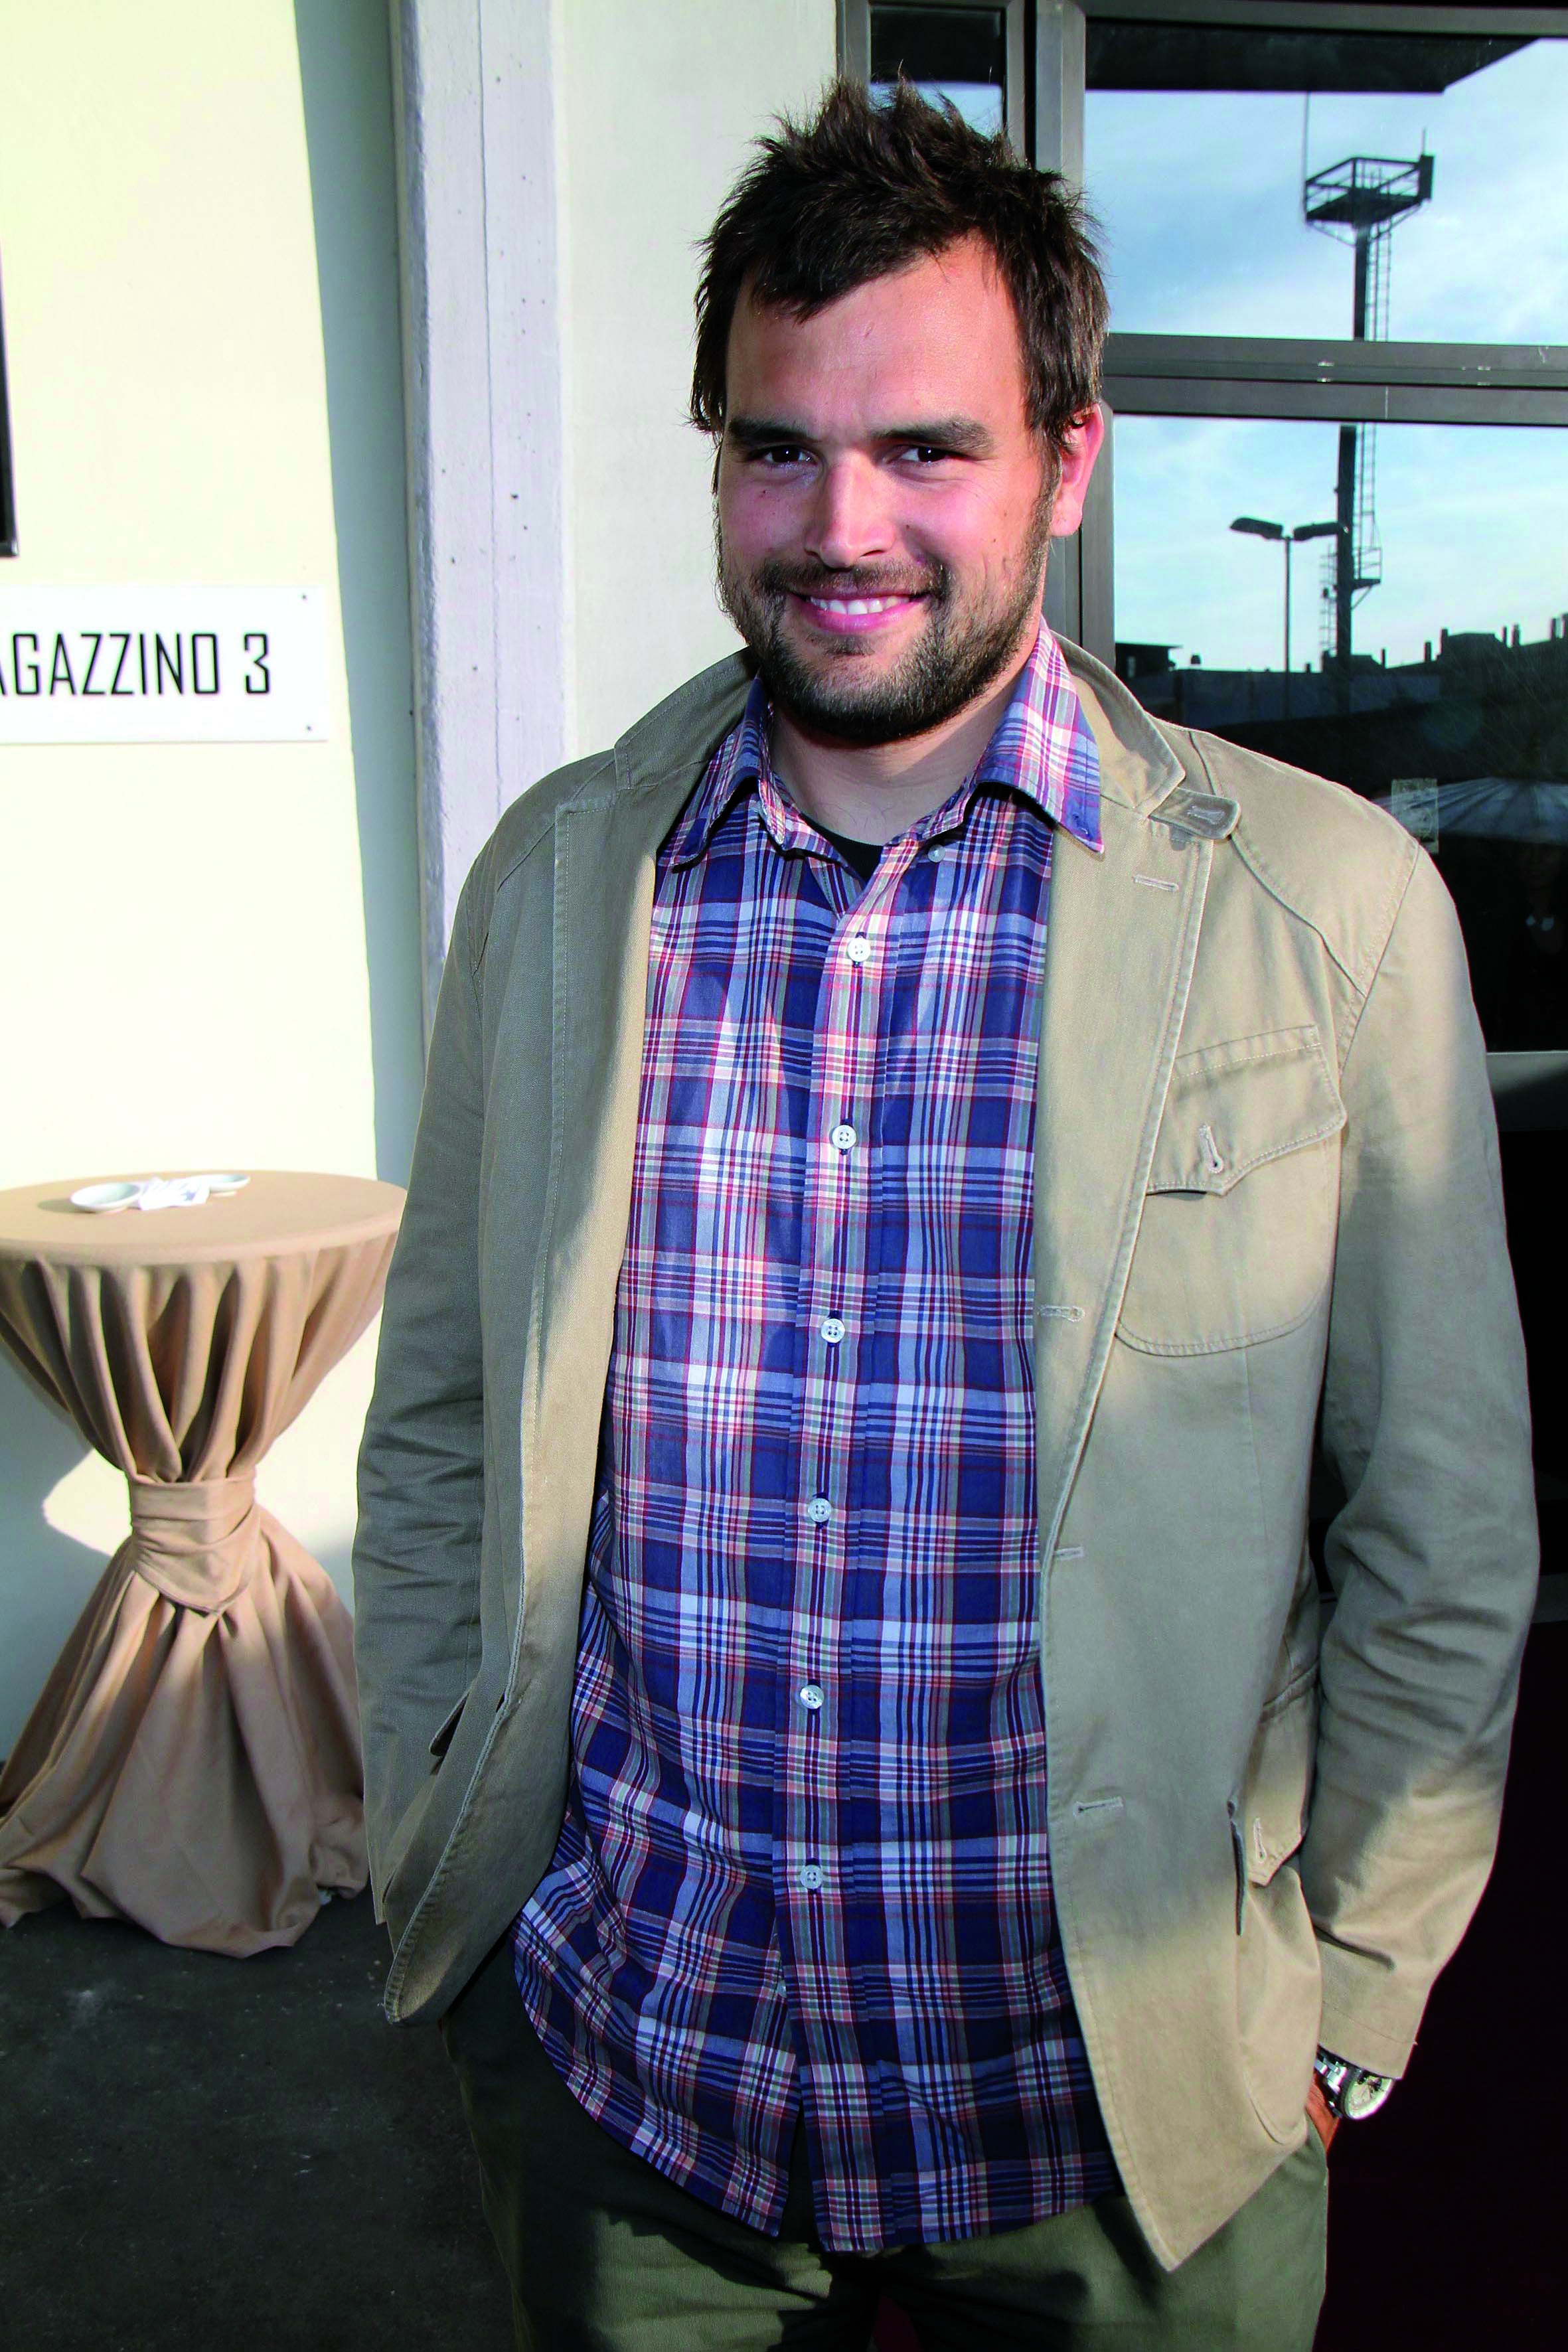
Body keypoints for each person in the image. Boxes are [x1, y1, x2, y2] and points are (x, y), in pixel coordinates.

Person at [353, 82, 1536, 2351]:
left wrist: (1348, 1987)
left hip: (1126, 2131)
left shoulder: (1328, 911)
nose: (842, 521)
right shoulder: (552, 885)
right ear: (717, 461)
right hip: (640, 2087)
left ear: (1067, 466)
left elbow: (1444, 1519)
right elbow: (436, 1425)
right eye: (778, 447)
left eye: (927, 449)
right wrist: (452, 1862)